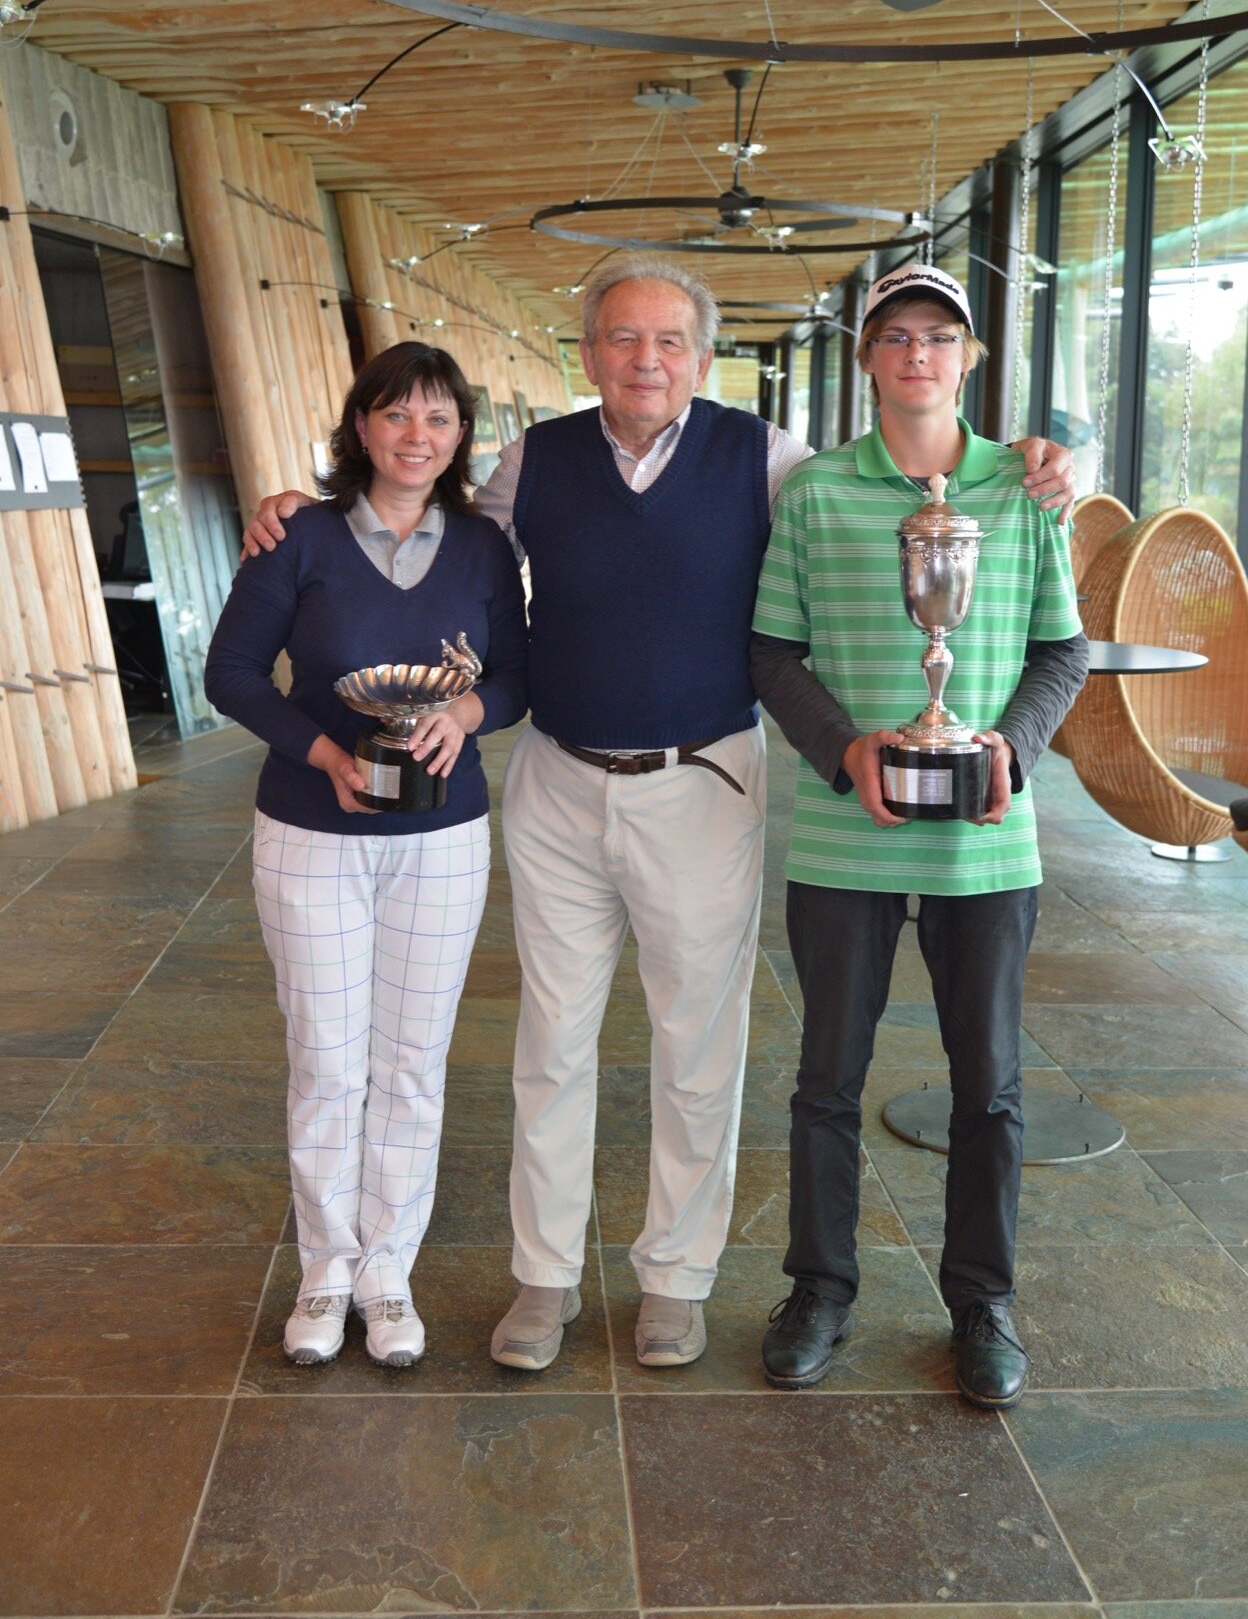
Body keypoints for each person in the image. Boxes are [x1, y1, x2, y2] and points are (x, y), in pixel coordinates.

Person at [239, 255, 1077, 1375]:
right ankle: (544, 1276)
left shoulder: (769, 459)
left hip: (704, 780)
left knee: (697, 1048)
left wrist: (1031, 460)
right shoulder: (536, 458)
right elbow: (432, 535)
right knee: (551, 1043)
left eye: (670, 340)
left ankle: (676, 1279)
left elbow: (895, 486)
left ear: (703, 355)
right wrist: (305, 507)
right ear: (587, 353)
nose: (647, 360)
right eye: (623, 339)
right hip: (557, 778)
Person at [750, 262, 1088, 1407]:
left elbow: (1062, 650)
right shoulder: (816, 492)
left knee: (989, 1084)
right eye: (894, 335)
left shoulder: (1026, 490)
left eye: (938, 335)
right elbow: (771, 650)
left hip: (985, 838)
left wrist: (1013, 747)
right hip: (846, 832)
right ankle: (819, 1289)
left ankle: (982, 1302)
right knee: (826, 1080)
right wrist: (844, 748)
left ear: (969, 356)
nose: (917, 353)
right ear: (868, 359)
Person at [205, 341, 526, 1370]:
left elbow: (517, 676)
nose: (415, 436)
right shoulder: (297, 534)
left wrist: (465, 713)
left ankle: (387, 1270)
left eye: (438, 418)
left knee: (412, 1064)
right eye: (395, 414)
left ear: (461, 434)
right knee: (327, 1060)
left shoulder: (481, 547)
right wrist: (324, 754)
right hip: (312, 831)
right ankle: (325, 1268)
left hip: (442, 837)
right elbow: (231, 671)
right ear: (360, 426)